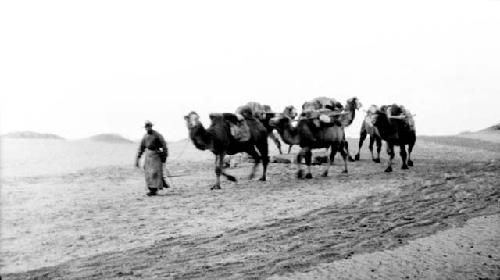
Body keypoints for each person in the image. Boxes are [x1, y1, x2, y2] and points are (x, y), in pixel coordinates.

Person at [135, 120, 169, 196]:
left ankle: (156, 188)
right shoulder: (145, 137)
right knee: (148, 174)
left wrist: (164, 155)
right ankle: (151, 190)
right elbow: (141, 148)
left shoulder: (157, 135)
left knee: (155, 173)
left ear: (151, 126)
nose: (148, 128)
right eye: (146, 127)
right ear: (145, 128)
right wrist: (138, 158)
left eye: (149, 126)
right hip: (148, 156)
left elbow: (164, 145)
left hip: (156, 155)